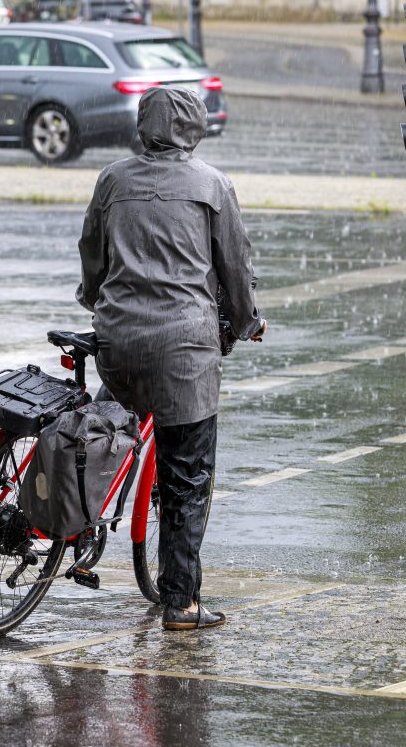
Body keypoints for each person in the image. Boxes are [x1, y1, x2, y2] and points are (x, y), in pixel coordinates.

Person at [76, 86, 266, 631]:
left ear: (144, 125)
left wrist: (99, 301)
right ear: (194, 129)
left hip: (117, 340)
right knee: (187, 475)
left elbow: (92, 253)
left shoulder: (113, 179)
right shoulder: (212, 184)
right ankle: (181, 602)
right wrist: (247, 320)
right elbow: (234, 267)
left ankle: (76, 526)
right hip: (184, 349)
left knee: (105, 428)